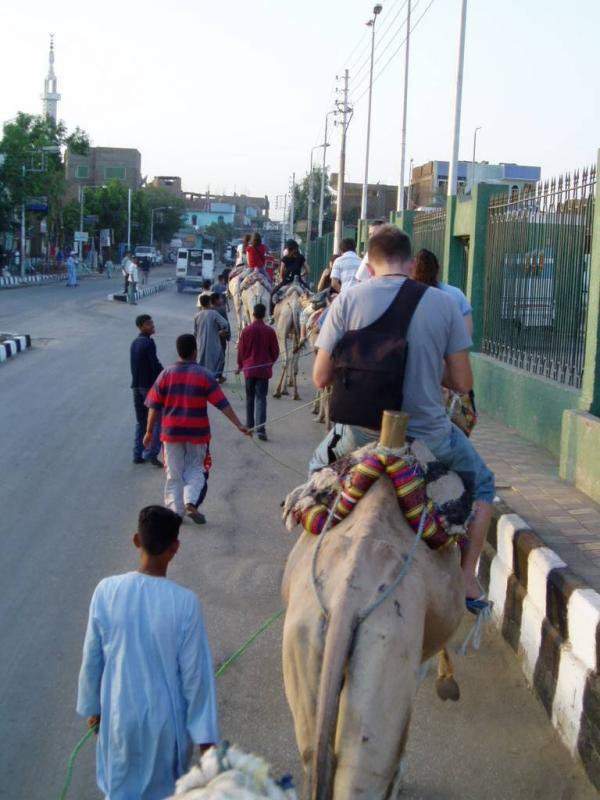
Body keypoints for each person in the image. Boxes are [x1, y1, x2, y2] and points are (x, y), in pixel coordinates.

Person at [311, 224, 494, 612]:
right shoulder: (444, 304)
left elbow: (320, 377)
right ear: (411, 265)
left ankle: (314, 557)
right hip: (429, 438)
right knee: (484, 484)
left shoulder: (347, 300)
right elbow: (463, 383)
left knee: (315, 470)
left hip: (360, 435)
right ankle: (466, 577)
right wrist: (428, 370)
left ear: (370, 266)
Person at [77, 505, 219, 800]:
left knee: (119, 789)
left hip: (119, 720)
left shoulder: (106, 591)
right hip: (165, 728)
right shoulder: (185, 603)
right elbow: (196, 678)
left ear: (136, 540)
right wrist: (207, 742)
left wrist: (93, 708)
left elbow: (92, 657)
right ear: (175, 548)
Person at [144, 334, 248, 524]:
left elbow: (153, 406)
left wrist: (149, 432)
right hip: (197, 434)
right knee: (196, 469)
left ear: (178, 351)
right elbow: (222, 404)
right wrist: (239, 424)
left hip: (171, 434)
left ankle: (175, 513)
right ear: (195, 351)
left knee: (173, 473)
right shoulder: (204, 375)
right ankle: (190, 502)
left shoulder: (166, 374)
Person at [236, 303, 279, 441]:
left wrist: (239, 365)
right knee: (261, 399)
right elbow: (275, 352)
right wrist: (269, 363)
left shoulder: (246, 330)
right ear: (264, 315)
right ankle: (261, 430)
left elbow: (241, 351)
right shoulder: (270, 331)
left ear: (253, 314)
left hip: (249, 370)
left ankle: (249, 426)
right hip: (263, 370)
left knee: (250, 398)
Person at [413, 248, 473, 335]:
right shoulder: (456, 294)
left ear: (411, 270)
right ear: (438, 269)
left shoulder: (405, 294)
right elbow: (467, 333)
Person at [130, 314, 163, 466]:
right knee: (156, 421)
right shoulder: (149, 343)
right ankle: (151, 453)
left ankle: (137, 454)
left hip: (136, 386)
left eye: (152, 323)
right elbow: (154, 365)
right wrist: (165, 375)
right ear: (141, 326)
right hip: (148, 387)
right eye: (149, 324)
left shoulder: (135, 343)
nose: (152, 326)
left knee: (141, 421)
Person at [194, 294, 229, 380]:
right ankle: (215, 377)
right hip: (213, 343)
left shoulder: (197, 315)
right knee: (220, 359)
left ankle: (201, 378)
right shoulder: (214, 313)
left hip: (201, 343)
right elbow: (225, 324)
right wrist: (222, 332)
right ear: (209, 302)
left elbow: (195, 332)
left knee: (201, 361)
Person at [269, 239, 309, 314]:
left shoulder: (285, 258)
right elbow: (308, 270)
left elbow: (281, 272)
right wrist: (301, 275)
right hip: (298, 281)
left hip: (287, 282)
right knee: (310, 294)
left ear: (288, 249)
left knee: (272, 294)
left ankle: (271, 314)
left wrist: (282, 280)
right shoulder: (301, 257)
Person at [355, 218, 386, 283]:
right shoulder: (371, 254)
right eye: (370, 234)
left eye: (376, 234)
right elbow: (360, 279)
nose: (372, 237)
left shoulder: (397, 253)